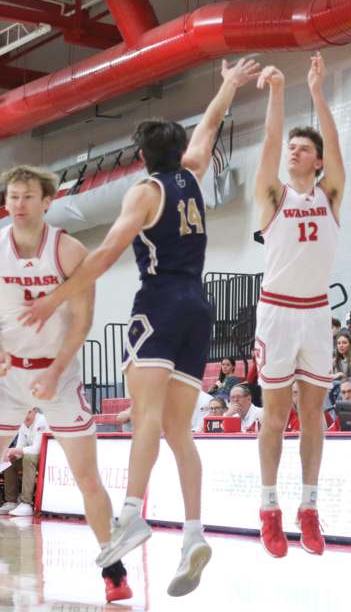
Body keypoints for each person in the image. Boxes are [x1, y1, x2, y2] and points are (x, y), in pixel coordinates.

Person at [20, 57, 261, 597]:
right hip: (200, 309)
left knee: (146, 416)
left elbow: (106, 251)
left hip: (159, 305)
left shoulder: (145, 192)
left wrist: (56, 293)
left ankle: (130, 513)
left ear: (142, 157)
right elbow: (207, 129)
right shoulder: (194, 173)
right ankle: (194, 532)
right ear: (177, 152)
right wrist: (225, 87)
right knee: (179, 429)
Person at [0, 164, 132, 603]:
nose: (18, 204)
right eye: (13, 196)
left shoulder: (68, 250)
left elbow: (82, 319)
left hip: (57, 371)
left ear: (46, 202)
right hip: (7, 373)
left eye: (26, 197)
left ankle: (112, 565)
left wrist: (57, 368)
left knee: (86, 476)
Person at [254, 52, 345, 559]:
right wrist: (277, 92)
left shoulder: (331, 193)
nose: (292, 150)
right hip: (277, 312)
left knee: (314, 415)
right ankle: (269, 510)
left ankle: (308, 507)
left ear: (316, 160)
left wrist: (316, 93)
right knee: (274, 416)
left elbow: (335, 145)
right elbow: (268, 143)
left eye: (302, 147)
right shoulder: (273, 195)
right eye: (291, 146)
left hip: (314, 313)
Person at [0, 407, 47, 516]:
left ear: (35, 411)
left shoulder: (42, 420)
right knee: (10, 460)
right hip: (31, 456)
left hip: (46, 458)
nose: (25, 415)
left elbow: (37, 449)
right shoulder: (22, 424)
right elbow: (20, 447)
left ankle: (26, 503)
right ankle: (11, 501)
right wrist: (10, 454)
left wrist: (14, 450)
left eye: (29, 412)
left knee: (28, 458)